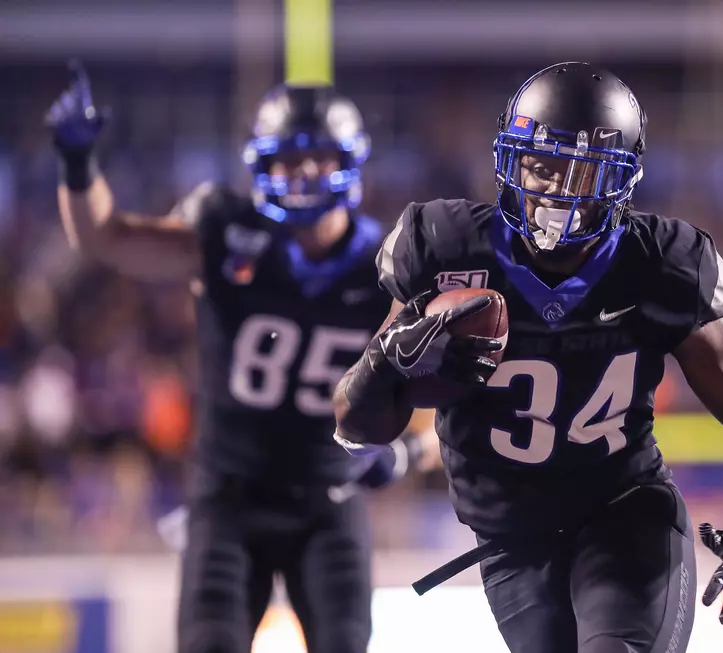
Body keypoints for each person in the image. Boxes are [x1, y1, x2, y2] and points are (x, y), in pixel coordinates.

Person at [332, 62, 723, 653]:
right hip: (512, 542)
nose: (553, 189)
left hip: (625, 515)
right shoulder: (444, 250)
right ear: (510, 160)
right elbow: (354, 425)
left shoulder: (662, 266)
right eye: (540, 165)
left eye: (579, 173)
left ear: (620, 179)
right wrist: (386, 360)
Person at [46, 61, 433, 653]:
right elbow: (107, 237)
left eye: (317, 157)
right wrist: (77, 165)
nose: (302, 172)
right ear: (262, 165)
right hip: (229, 496)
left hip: (328, 501)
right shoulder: (226, 232)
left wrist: (404, 451)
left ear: (348, 161)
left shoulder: (386, 267)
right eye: (287, 158)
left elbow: (427, 388)